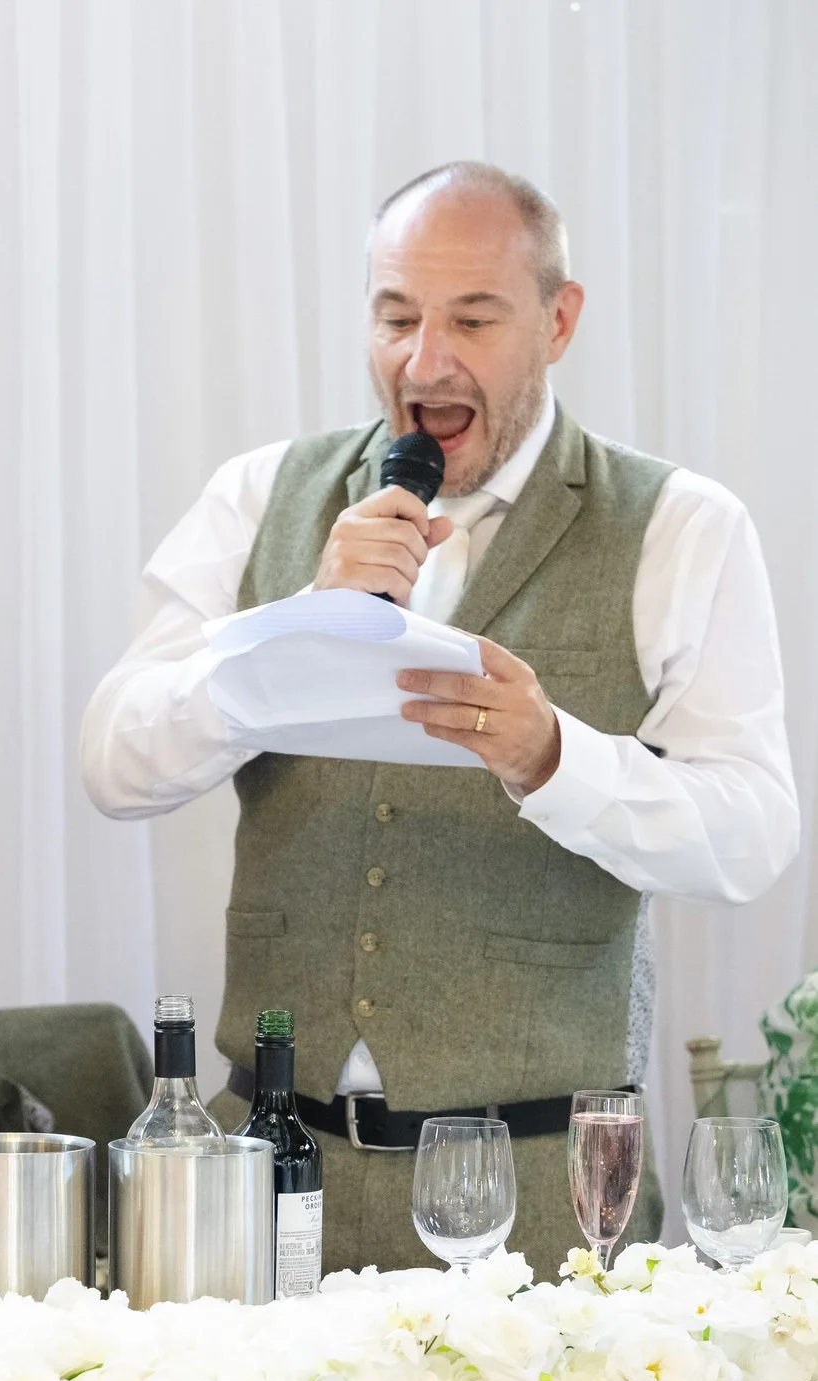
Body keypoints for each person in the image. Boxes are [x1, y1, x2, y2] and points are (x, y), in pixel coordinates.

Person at [80, 161, 797, 1274]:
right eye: (396, 316)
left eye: (471, 317)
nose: (425, 361)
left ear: (558, 321)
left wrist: (553, 755)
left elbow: (751, 835)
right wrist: (283, 636)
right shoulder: (258, 494)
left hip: (545, 1199)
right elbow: (114, 760)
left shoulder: (681, 527)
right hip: (266, 1178)